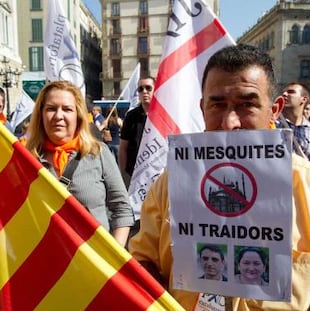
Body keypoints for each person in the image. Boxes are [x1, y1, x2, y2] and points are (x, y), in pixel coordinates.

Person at [128, 44, 310, 310]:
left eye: (247, 105)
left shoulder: (304, 183)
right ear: (203, 108)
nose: (229, 122)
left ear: (275, 109)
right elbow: (143, 261)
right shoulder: (168, 184)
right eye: (217, 105)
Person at [25, 81, 134, 247]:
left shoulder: (99, 152)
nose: (58, 116)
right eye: (51, 108)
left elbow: (122, 208)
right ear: (40, 114)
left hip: (94, 262)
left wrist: (113, 258)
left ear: (78, 115)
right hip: (44, 264)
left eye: (67, 109)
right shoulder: (25, 158)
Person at [119, 76, 155, 187]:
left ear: (155, 90)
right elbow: (123, 148)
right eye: (140, 89)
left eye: (148, 88)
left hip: (157, 174)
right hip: (134, 175)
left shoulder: (163, 115)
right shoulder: (131, 116)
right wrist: (124, 175)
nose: (144, 91)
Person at [277, 82, 310, 160]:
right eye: (283, 92)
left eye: (291, 92)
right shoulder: (271, 124)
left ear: (304, 99)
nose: (284, 94)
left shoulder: (308, 130)